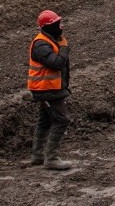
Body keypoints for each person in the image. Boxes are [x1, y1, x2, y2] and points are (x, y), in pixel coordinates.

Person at [27, 10, 73, 170]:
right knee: (62, 119)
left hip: (51, 89)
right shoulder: (41, 45)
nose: (61, 26)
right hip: (47, 90)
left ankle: (38, 156)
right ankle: (51, 158)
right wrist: (64, 49)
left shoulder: (50, 40)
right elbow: (56, 63)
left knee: (45, 121)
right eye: (57, 23)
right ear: (49, 26)